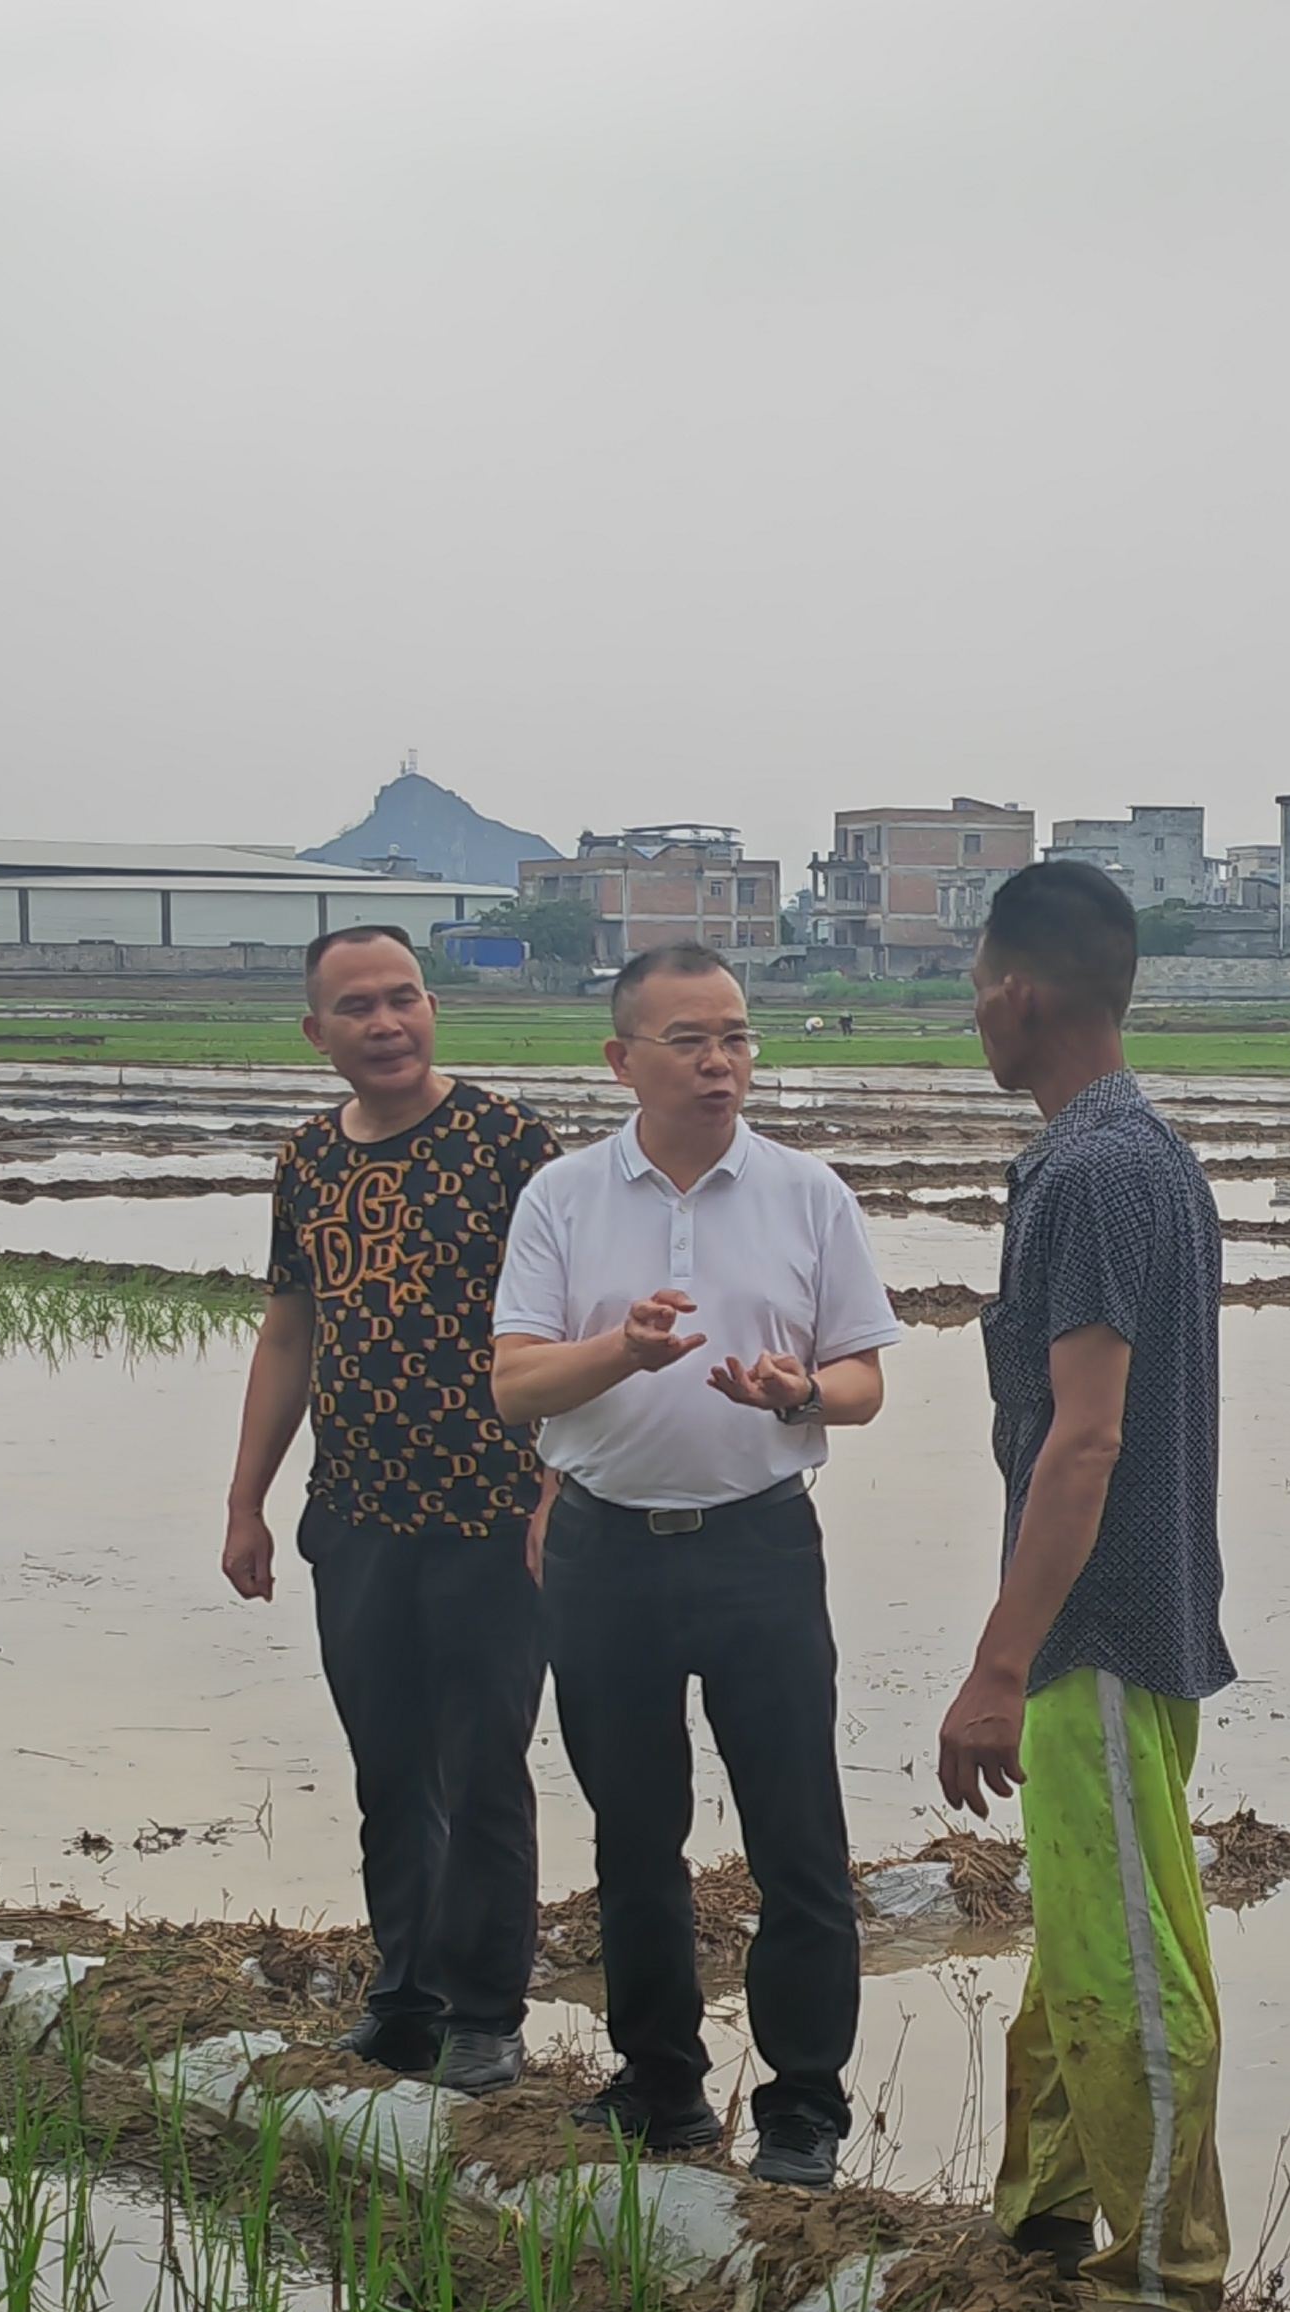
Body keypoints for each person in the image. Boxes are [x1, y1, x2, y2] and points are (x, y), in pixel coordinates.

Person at [492, 944, 902, 2187]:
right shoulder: (563, 1198)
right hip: (605, 1547)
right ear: (623, 1060)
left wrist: (799, 1390)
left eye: (736, 1035)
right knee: (634, 1836)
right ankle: (661, 2086)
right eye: (690, 1040)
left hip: (759, 1545)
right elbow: (516, 1386)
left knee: (795, 1833)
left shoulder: (805, 1193)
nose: (721, 1061)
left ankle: (803, 2110)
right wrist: (622, 1349)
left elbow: (865, 1381)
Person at [935, 861, 1234, 2312]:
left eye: (976, 983)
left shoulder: (1100, 1170)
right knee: (1077, 1936)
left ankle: (1176, 2276)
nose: (972, 1012)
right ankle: (1046, 2220)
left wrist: (1002, 1662)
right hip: (1113, 1624)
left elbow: (1088, 1435)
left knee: (1121, 1961)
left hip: (1097, 1627)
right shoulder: (1114, 1155)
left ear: (1022, 991)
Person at [225, 926, 563, 2092]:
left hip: (490, 1509)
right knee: (387, 1768)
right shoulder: (307, 1160)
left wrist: (556, 1484)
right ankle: (403, 1998)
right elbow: (288, 1331)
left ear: (434, 1007)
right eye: (356, 1008)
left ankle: (486, 2012)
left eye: (403, 1000)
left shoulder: (512, 1145)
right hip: (357, 1512)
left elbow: (565, 1334)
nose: (385, 1025)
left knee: (482, 1769)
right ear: (316, 1033)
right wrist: (246, 1504)